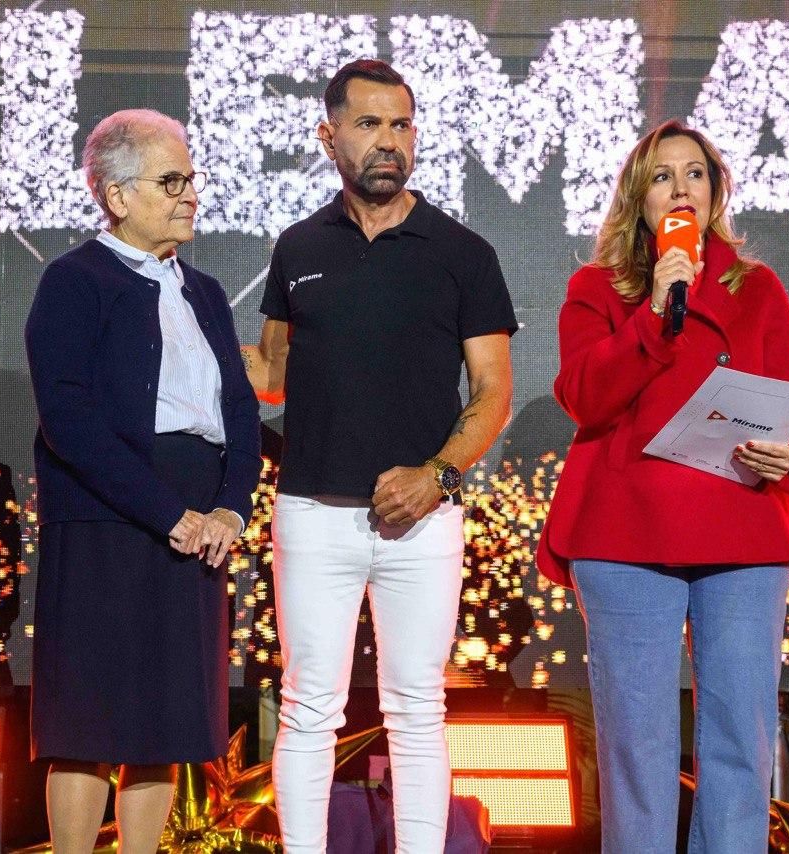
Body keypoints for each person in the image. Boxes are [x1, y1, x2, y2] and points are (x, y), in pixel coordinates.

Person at [242, 60, 516, 852]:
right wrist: (182, 335)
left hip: (423, 520)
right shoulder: (298, 247)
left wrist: (438, 476)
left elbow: (493, 388)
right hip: (311, 512)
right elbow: (274, 374)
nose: (388, 140)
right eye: (368, 124)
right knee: (307, 708)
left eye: (400, 124)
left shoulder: (462, 251)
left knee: (418, 709)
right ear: (328, 137)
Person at [536, 119, 789, 853]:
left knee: (741, 736)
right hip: (627, 531)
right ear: (639, 197)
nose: (681, 188)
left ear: (715, 191)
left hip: (743, 524)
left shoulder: (757, 287)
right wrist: (653, 316)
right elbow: (584, 397)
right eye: (662, 176)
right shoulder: (597, 288)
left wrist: (786, 452)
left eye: (694, 173)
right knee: (636, 742)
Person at [25, 109, 262, 853]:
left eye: (191, 178)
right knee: (89, 723)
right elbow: (68, 419)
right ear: (117, 195)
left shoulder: (205, 291)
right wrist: (169, 513)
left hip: (197, 527)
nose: (190, 194)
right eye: (171, 180)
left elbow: (240, 412)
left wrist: (229, 510)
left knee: (164, 724)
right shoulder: (74, 281)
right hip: (107, 518)